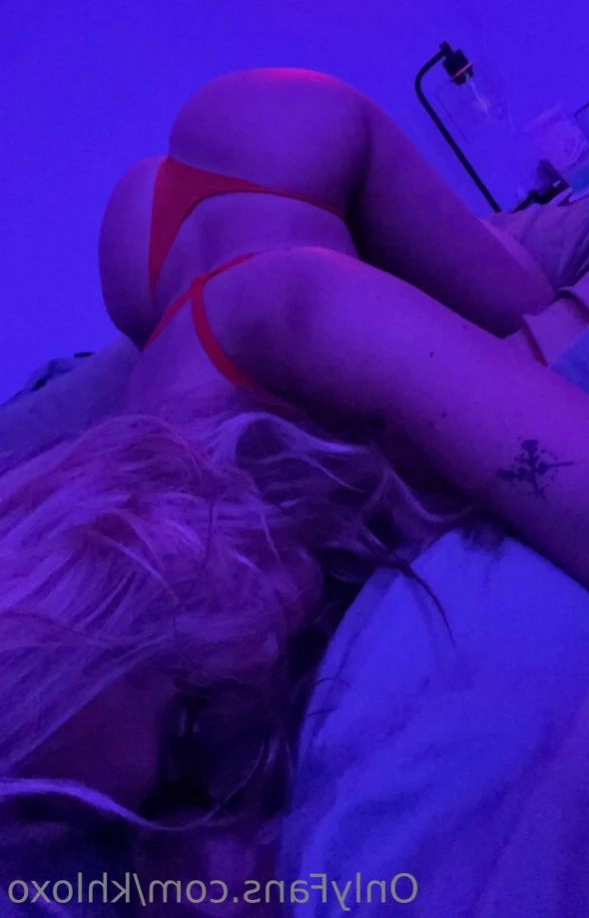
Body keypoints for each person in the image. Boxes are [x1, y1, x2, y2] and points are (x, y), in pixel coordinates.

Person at [1, 68, 588, 908]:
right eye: (185, 779)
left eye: (195, 720)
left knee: (533, 307)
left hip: (271, 144)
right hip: (147, 261)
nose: (255, 660)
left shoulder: (290, 313)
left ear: (136, 549)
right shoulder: (107, 730)